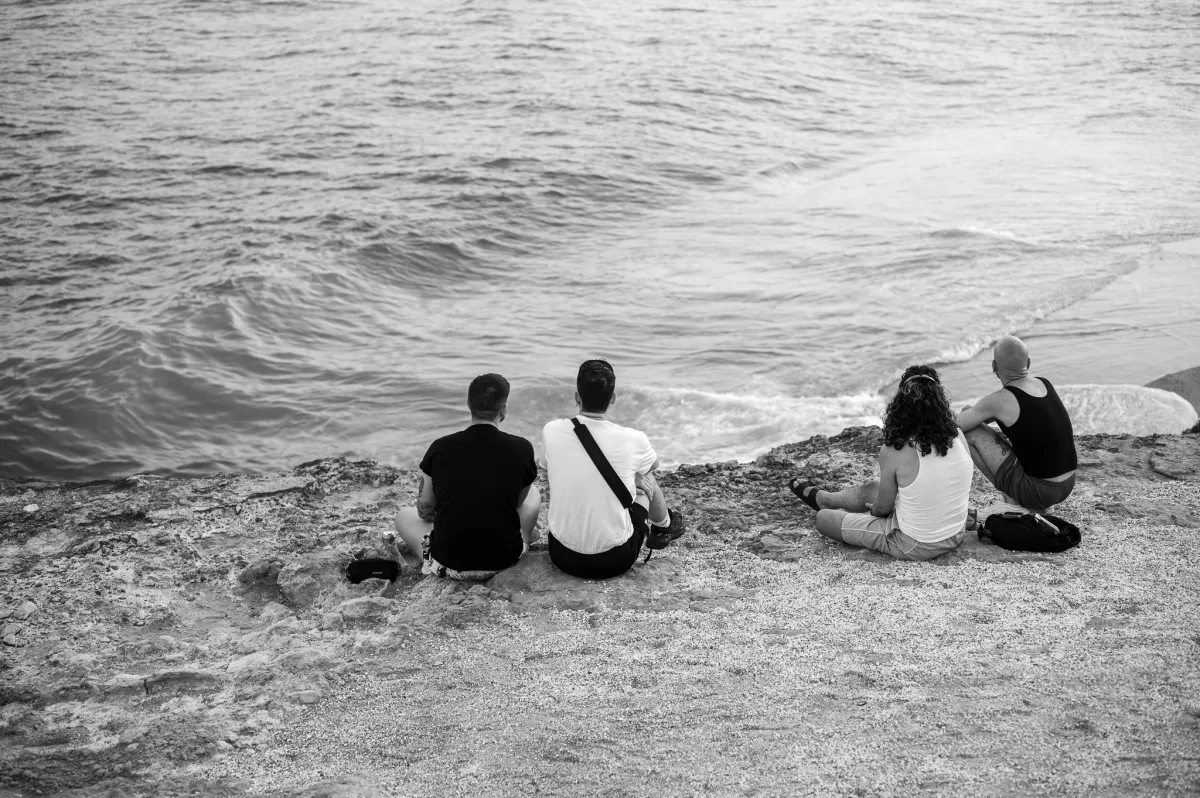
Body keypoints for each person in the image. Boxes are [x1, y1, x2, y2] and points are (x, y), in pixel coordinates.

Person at [789, 365, 973, 561]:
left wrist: (873, 511)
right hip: (956, 531)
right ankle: (826, 499)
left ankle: (830, 509)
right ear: (939, 402)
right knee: (872, 487)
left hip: (916, 543)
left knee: (824, 519)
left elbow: (882, 509)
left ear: (901, 405)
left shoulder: (895, 450)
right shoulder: (957, 435)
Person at [541, 359, 686, 579]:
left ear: (576, 397)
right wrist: (632, 477)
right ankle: (664, 526)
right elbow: (652, 466)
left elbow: (547, 464)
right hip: (614, 561)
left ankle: (662, 525)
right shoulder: (633, 439)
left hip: (562, 555)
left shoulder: (552, 430)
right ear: (613, 398)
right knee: (645, 475)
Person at [394, 373, 540, 581]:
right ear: (504, 409)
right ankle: (523, 539)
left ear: (468, 405)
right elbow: (518, 503)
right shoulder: (522, 448)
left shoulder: (440, 447)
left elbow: (425, 509)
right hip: (504, 560)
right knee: (533, 492)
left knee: (403, 515)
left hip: (448, 563)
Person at [955, 335, 1076, 511]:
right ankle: (1028, 500)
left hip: (1038, 492)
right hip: (1068, 483)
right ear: (1028, 363)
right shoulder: (1044, 383)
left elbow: (955, 426)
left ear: (994, 366)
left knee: (969, 433)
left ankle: (1015, 501)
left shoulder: (1000, 400)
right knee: (973, 414)